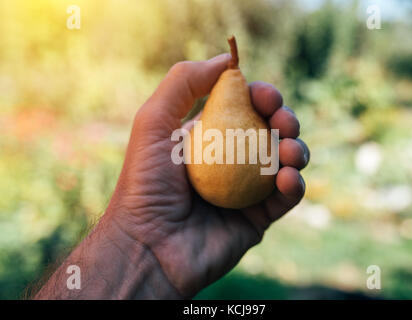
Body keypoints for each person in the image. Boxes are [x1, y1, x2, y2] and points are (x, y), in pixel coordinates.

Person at [33, 53, 310, 299]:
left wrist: (137, 249)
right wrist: (135, 240)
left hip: (238, 195)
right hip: (231, 196)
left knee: (285, 146)